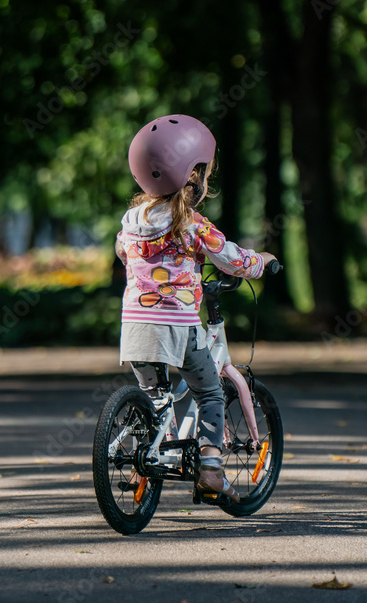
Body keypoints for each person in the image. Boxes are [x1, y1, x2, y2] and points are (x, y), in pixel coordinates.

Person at [116, 114, 277, 502]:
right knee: (210, 394)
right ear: (193, 175)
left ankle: (150, 455)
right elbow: (231, 259)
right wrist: (263, 261)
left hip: (136, 324)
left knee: (155, 398)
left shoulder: (130, 220)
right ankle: (210, 469)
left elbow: (124, 252)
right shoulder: (192, 224)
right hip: (179, 325)